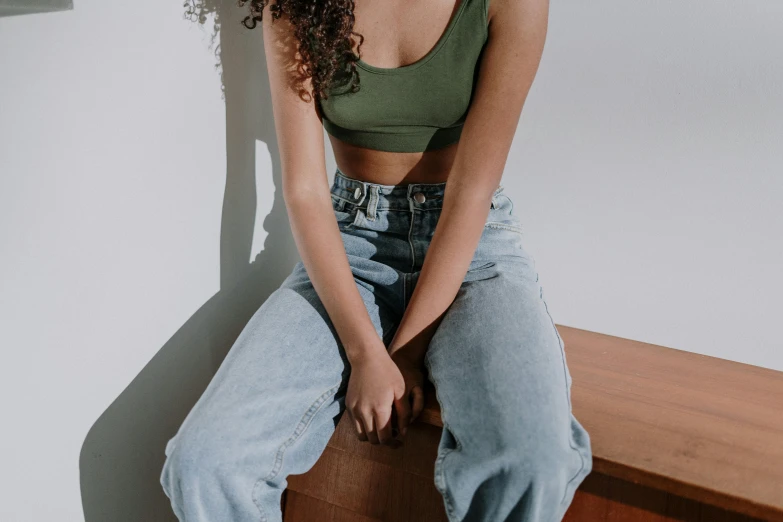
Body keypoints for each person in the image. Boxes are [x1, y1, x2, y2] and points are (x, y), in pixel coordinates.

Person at [160, 0, 592, 520]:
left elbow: (471, 193)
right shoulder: (295, 4)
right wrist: (366, 354)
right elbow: (304, 191)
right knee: (204, 462)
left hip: (471, 250)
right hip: (347, 245)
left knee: (532, 461)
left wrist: (407, 355)